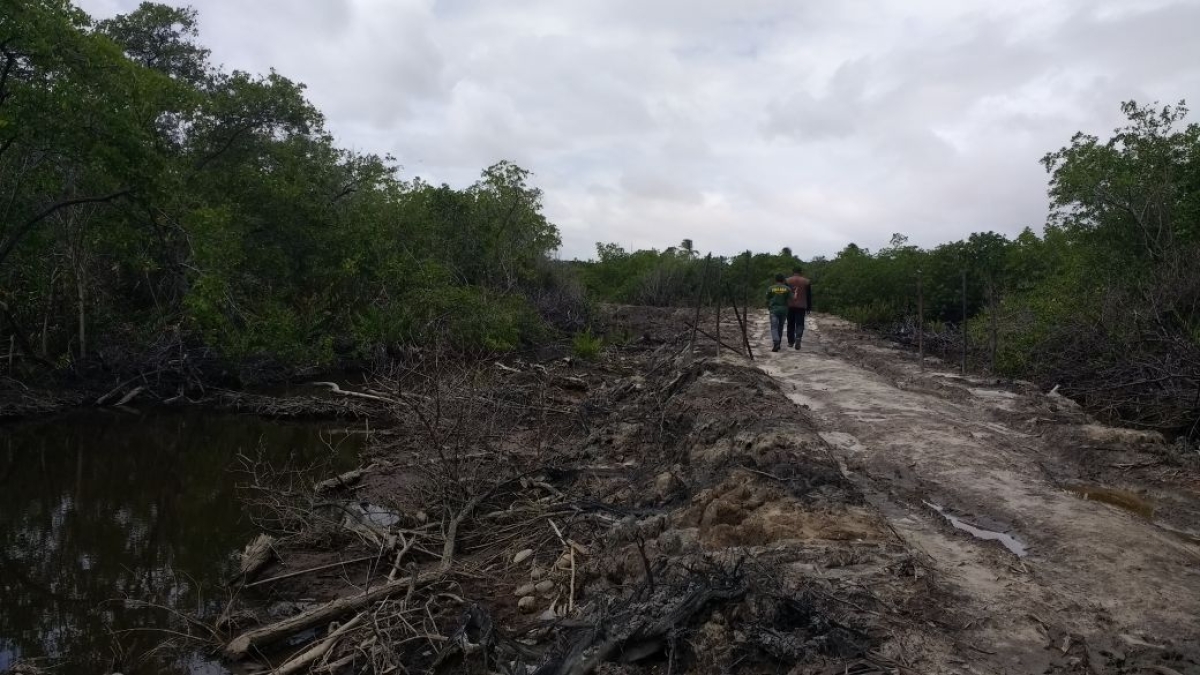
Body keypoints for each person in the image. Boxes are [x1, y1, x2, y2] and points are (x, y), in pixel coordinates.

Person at [785, 266, 812, 349]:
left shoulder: (787, 280)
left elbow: (785, 294)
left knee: (790, 324)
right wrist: (809, 307)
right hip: (801, 305)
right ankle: (798, 338)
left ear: (793, 272)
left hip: (790, 305)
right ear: (801, 272)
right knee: (800, 323)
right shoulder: (806, 281)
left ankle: (790, 342)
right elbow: (809, 296)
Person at [766, 274, 791, 352]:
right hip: (783, 310)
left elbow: (767, 299)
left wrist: (769, 307)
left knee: (774, 327)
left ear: (775, 280)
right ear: (783, 280)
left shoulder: (770, 288)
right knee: (780, 327)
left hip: (774, 310)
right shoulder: (787, 289)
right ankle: (778, 344)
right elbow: (791, 299)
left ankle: (776, 342)